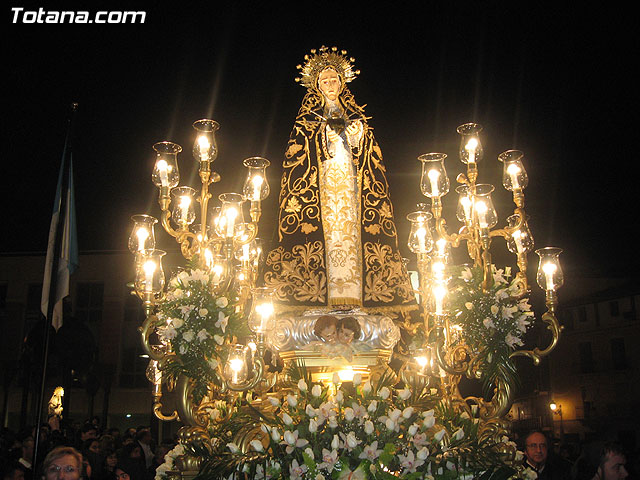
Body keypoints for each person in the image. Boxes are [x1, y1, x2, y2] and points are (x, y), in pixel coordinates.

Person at [264, 46, 415, 316]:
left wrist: (357, 138)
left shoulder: (357, 117)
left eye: (334, 79)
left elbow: (372, 161)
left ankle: (357, 296)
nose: (330, 84)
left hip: (351, 189)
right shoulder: (307, 121)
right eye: (324, 80)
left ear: (342, 83)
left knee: (351, 236)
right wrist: (324, 140)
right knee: (328, 238)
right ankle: (320, 298)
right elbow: (294, 158)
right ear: (316, 85)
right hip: (320, 193)